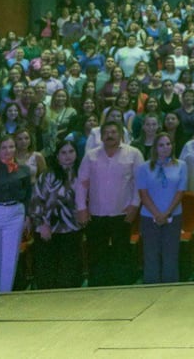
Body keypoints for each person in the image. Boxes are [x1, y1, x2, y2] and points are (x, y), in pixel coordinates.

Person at [76, 121, 144, 286]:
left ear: (120, 134)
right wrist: (81, 208)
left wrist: (135, 206)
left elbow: (140, 183)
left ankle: (123, 286)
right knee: (97, 253)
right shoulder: (90, 155)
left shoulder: (134, 154)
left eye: (114, 132)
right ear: (101, 136)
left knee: (122, 252)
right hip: (96, 213)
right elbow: (81, 183)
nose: (110, 135)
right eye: (106, 132)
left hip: (123, 212)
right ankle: (98, 287)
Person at [28, 141, 83, 289]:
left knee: (70, 271)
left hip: (73, 228)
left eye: (71, 152)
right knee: (48, 272)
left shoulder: (82, 174)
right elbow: (36, 201)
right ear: (57, 156)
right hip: (48, 228)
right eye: (63, 153)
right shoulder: (48, 175)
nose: (68, 156)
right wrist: (42, 224)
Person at [136, 133, 186, 284]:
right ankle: (151, 289)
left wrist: (167, 213)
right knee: (151, 254)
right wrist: (157, 214)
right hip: (149, 217)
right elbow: (143, 194)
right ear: (155, 148)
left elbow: (181, 191)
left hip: (173, 215)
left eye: (168, 144)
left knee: (171, 254)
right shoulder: (144, 168)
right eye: (161, 145)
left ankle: (170, 289)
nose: (165, 148)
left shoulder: (181, 165)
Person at [0, 135, 32, 293]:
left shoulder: (24, 170)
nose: (8, 151)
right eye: (4, 147)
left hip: (15, 214)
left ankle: (6, 295)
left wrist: (27, 216)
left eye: (11, 147)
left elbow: (28, 195)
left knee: (10, 259)